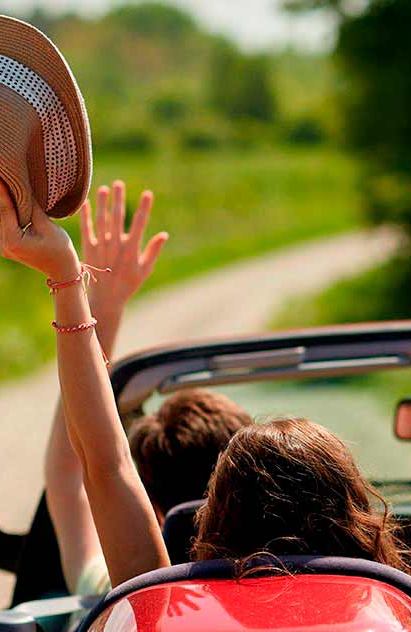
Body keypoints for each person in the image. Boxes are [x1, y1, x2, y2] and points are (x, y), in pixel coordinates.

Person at [0, 175, 411, 589]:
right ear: (357, 516)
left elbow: (102, 463)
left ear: (211, 514)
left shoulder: (158, 603)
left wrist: (73, 282)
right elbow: (101, 465)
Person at [38, 180, 255, 595]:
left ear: (152, 506)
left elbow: (72, 472)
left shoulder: (129, 589)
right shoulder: (347, 575)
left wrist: (101, 305)